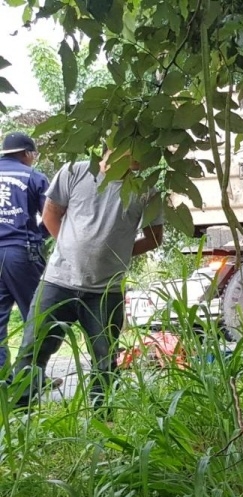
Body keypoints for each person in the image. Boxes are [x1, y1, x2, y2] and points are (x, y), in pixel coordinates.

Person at [10, 150, 165, 407]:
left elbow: (154, 238)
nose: (142, 154)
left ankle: (102, 417)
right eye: (136, 145)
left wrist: (117, 256)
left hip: (106, 290)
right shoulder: (75, 171)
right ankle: (19, 411)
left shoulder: (147, 190)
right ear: (114, 147)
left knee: (105, 360)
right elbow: (50, 214)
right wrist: (71, 249)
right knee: (33, 350)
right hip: (58, 281)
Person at [0, 132, 49, 371]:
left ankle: (3, 383)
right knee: (38, 316)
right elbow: (51, 217)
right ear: (26, 153)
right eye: (34, 154)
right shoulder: (33, 176)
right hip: (22, 253)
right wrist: (41, 235)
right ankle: (28, 379)